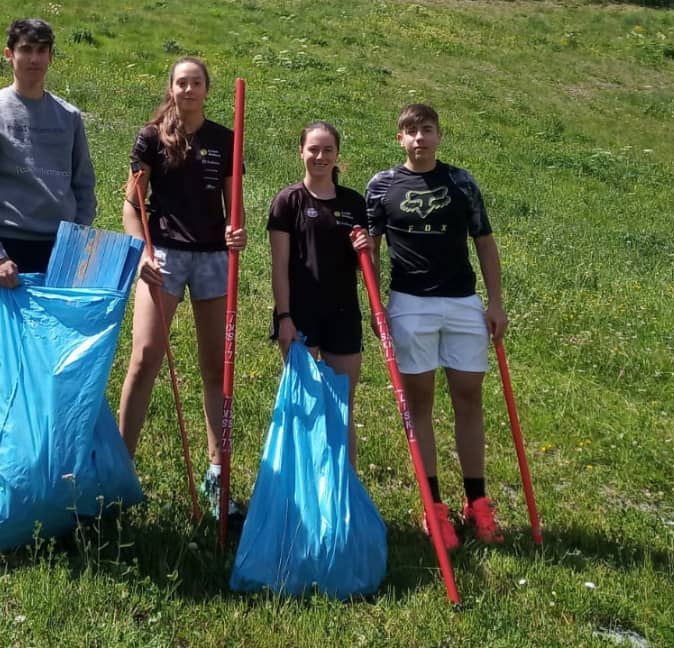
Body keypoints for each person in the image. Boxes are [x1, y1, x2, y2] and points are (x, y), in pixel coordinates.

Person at [365, 103, 507, 548]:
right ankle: (435, 508)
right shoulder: (381, 186)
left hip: (463, 302)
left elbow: (484, 240)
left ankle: (477, 503)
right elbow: (368, 249)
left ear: (439, 136)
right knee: (420, 404)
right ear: (399, 139)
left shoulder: (461, 182)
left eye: (427, 130)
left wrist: (495, 302)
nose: (420, 138)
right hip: (409, 304)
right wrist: (374, 306)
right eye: (411, 131)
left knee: (469, 399)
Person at [117, 57, 247, 522]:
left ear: (207, 89)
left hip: (214, 257)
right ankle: (120, 470)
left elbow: (235, 207)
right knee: (145, 357)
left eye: (196, 82)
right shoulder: (151, 138)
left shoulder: (224, 140)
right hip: (164, 255)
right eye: (180, 82)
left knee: (216, 370)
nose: (188, 89)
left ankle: (217, 475)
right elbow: (132, 205)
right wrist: (141, 253)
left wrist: (239, 232)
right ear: (170, 88)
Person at [0, 18, 96, 432]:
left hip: (56, 257)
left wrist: (74, 247)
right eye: (25, 50)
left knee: (49, 366)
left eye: (42, 50)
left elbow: (84, 186)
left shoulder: (69, 117)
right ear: (9, 55)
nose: (33, 58)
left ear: (51, 57)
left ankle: (42, 459)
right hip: (2, 258)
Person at [267, 121, 370, 464]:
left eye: (327, 150)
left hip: (343, 315)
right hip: (300, 315)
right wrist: (284, 317)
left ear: (338, 155)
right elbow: (279, 266)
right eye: (313, 149)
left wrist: (366, 251)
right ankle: (302, 492)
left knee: (342, 408)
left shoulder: (355, 203)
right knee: (303, 406)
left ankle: (343, 494)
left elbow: (364, 268)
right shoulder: (288, 201)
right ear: (301, 152)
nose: (320, 156)